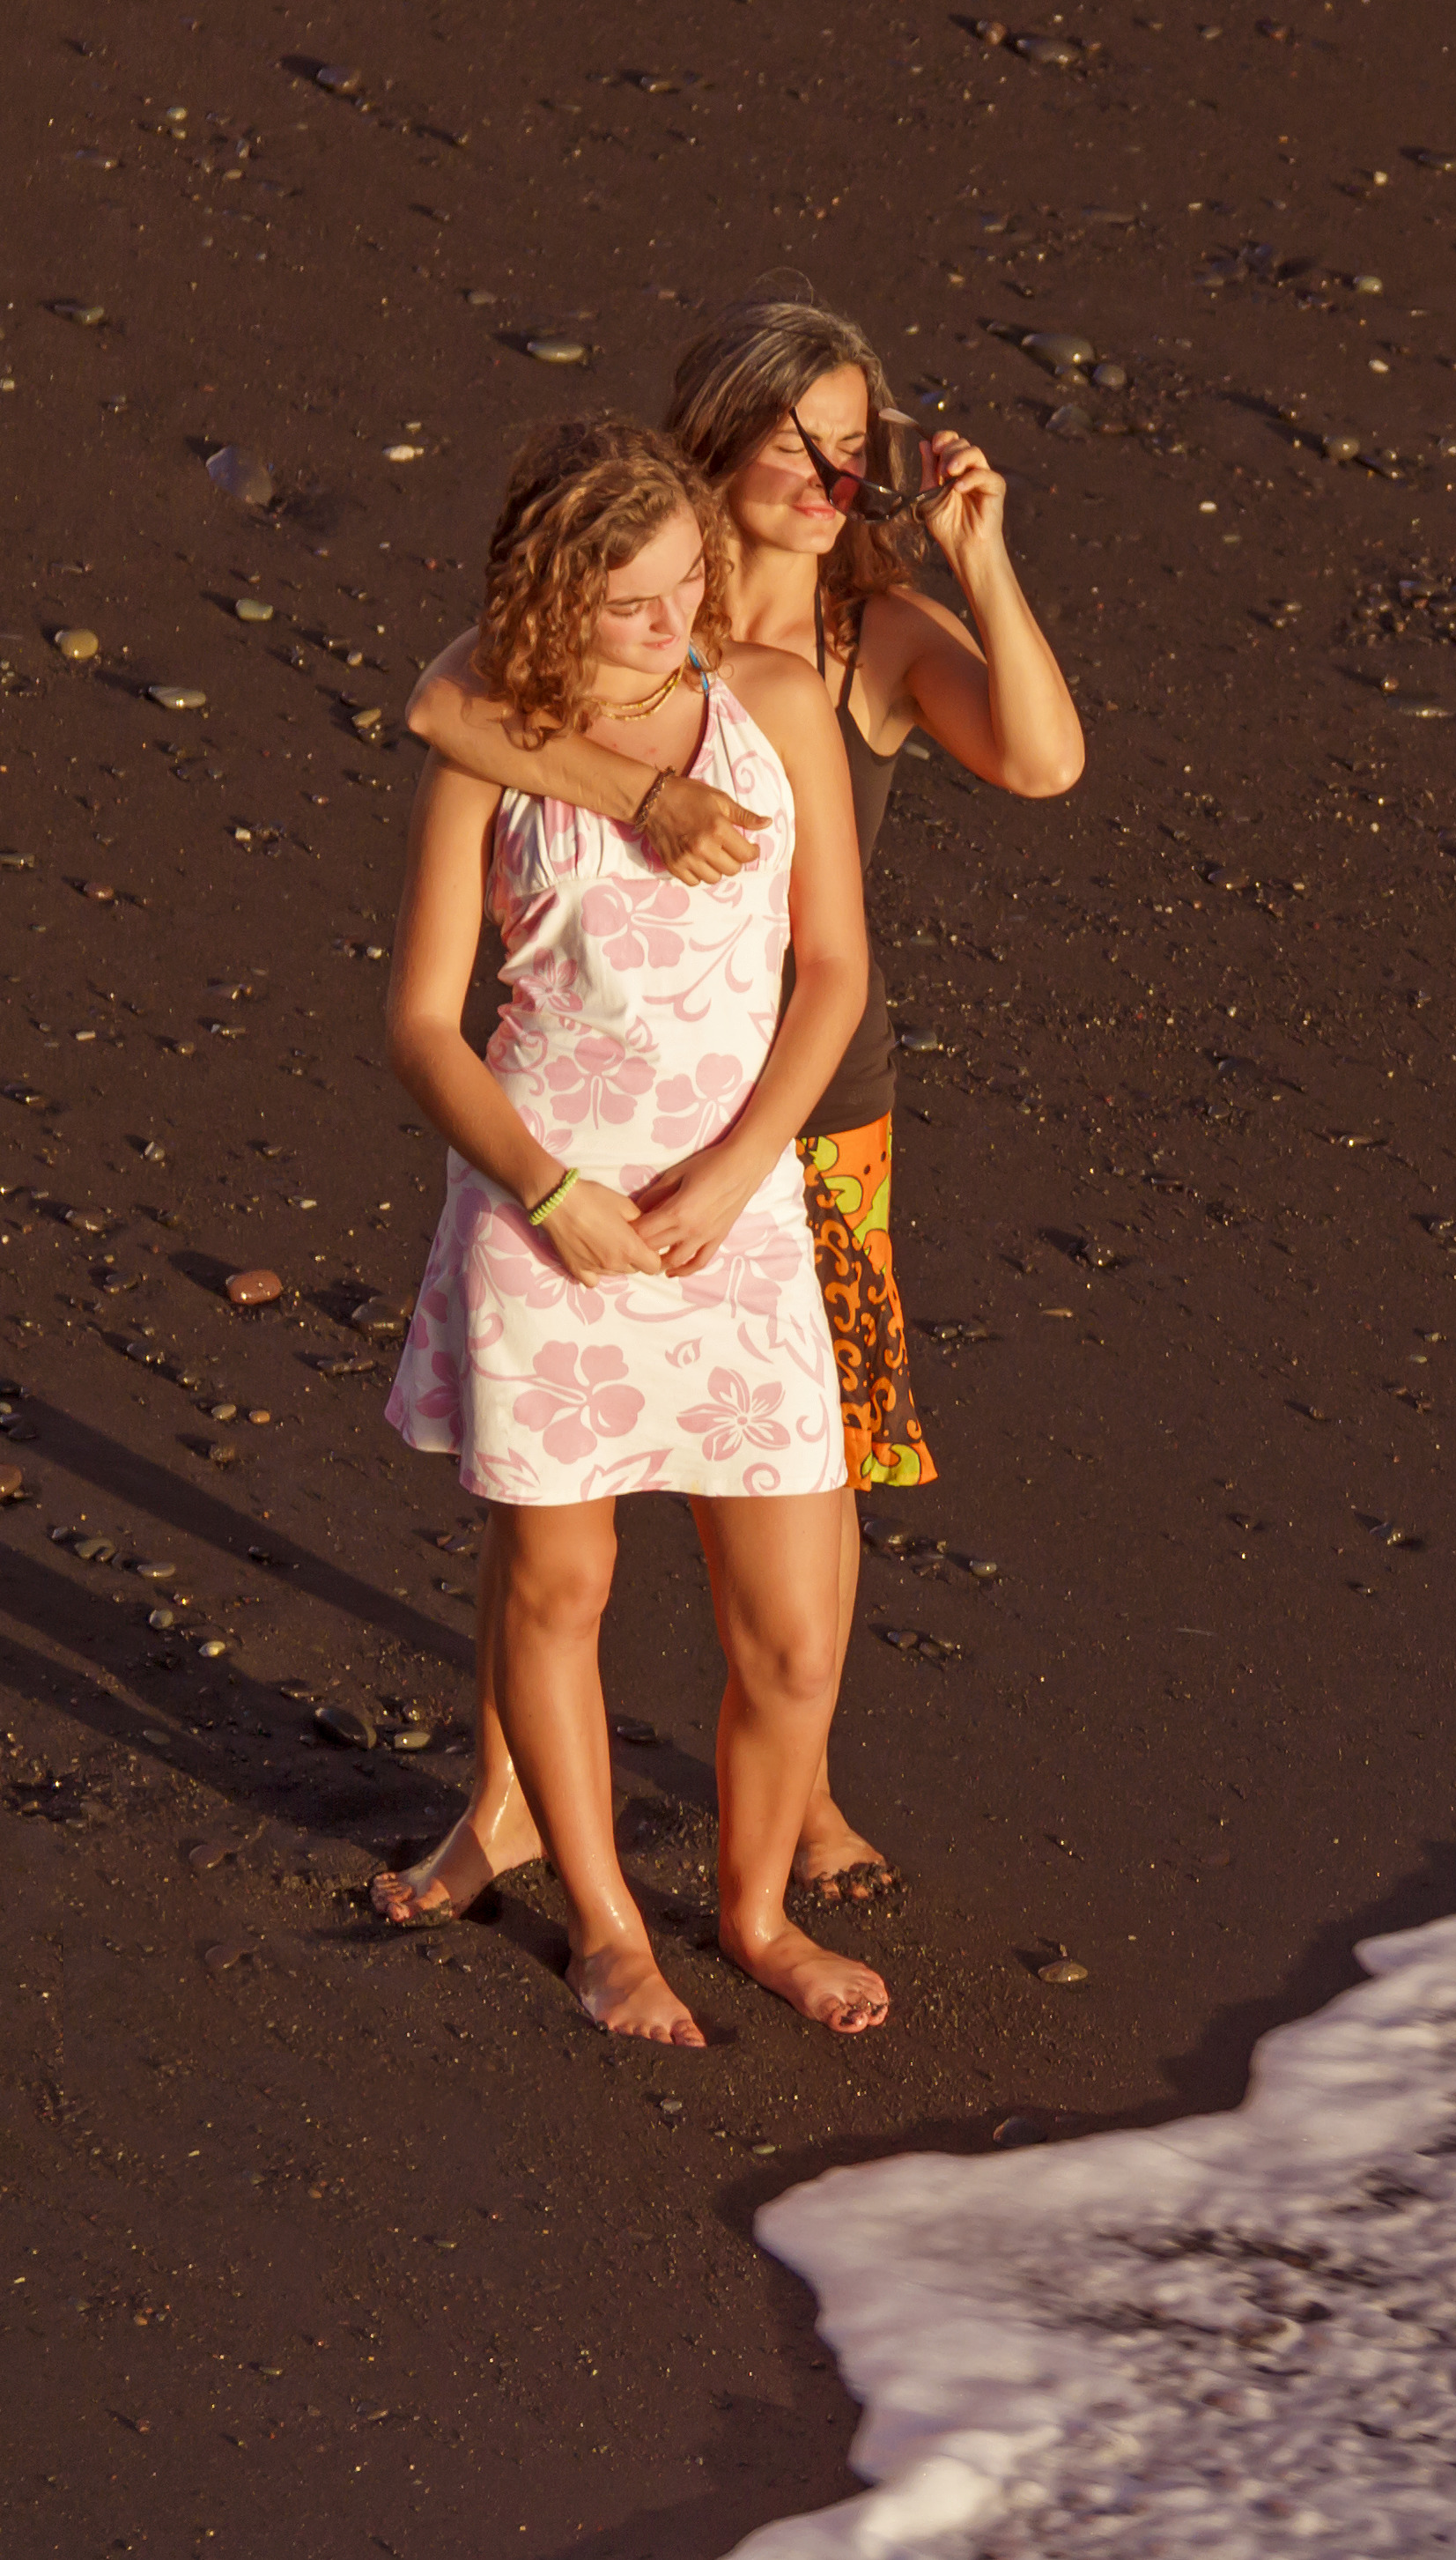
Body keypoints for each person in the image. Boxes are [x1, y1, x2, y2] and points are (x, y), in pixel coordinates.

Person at [384, 293, 1085, 1926]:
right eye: (801, 441)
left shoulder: (868, 638)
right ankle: (501, 1798)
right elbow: (448, 705)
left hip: (819, 1116)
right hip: (600, 1118)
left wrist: (981, 556)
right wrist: (638, 787)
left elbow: (1044, 764)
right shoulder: (596, 626)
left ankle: (804, 1785)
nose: (836, 473)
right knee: (552, 1508)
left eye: (859, 443)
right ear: (713, 446)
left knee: (807, 1465)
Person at [378, 416, 884, 2043]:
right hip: (552, 1216)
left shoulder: (776, 706)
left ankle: (751, 1913)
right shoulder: (491, 751)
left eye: (692, 587)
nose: (680, 631)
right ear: (551, 600)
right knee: (561, 1584)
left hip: (738, 1210)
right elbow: (423, 1024)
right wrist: (547, 1190)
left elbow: (833, 975)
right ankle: (606, 1926)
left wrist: (746, 1168)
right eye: (635, 608)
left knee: (797, 1634)